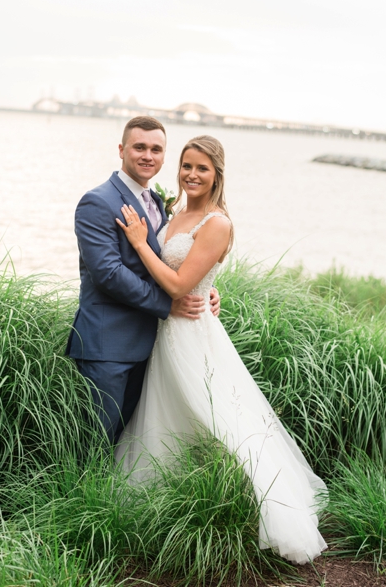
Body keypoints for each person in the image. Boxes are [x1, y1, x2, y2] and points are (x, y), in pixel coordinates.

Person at [114, 135, 326, 565]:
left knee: (219, 418)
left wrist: (139, 242)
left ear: (217, 175)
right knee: (172, 415)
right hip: (163, 330)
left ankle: (258, 506)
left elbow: (177, 284)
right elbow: (186, 271)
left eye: (202, 169)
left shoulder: (217, 222)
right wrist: (212, 289)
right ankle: (170, 501)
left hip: (191, 333)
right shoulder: (174, 211)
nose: (192, 174)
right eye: (187, 166)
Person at [67, 115, 220, 446]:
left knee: (130, 445)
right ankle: (83, 498)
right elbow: (108, 274)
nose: (147, 156)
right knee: (96, 443)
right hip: (108, 345)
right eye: (139, 147)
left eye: (156, 149)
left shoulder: (157, 203)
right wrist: (169, 303)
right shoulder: (98, 202)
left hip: (150, 345)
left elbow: (168, 260)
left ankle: (116, 499)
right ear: (122, 150)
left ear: (164, 157)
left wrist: (203, 287)